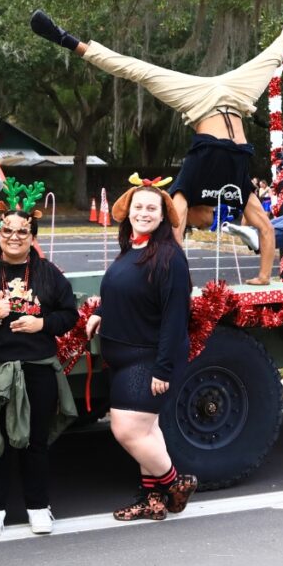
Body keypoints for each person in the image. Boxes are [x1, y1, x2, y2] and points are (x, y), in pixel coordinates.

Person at [30, 0, 283, 285]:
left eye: (199, 227)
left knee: (140, 70)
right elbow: (266, 228)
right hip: (235, 97)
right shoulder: (236, 193)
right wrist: (262, 276)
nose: (206, 225)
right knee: (276, 54)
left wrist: (181, 279)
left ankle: (66, 40)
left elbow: (175, 226)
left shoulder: (188, 187)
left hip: (203, 99)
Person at [0, 178, 79, 538]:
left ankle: (38, 507)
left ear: (32, 235)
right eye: (7, 230)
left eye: (22, 231)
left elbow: (69, 315)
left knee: (34, 441)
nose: (14, 236)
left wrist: (41, 322)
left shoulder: (48, 273)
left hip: (36, 369)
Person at [84, 175, 198, 521]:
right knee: (147, 431)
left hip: (147, 359)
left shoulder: (168, 258)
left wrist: (163, 368)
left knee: (127, 430)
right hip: (121, 356)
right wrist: (101, 313)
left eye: (152, 208)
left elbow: (175, 317)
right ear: (128, 212)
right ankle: (154, 502)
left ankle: (176, 482)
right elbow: (128, 295)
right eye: (139, 207)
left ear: (163, 216)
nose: (144, 213)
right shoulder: (131, 250)